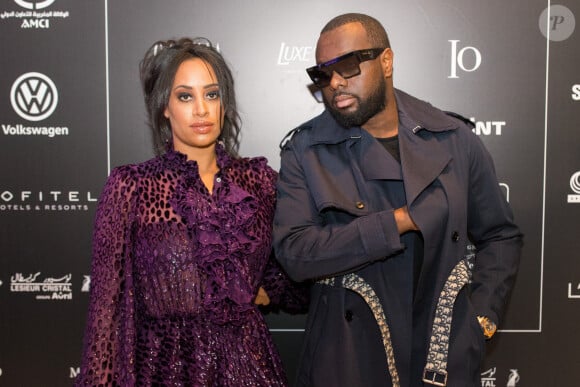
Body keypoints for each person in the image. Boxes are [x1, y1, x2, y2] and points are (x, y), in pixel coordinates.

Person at [273, 13, 523, 387]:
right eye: (323, 74)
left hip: (441, 358)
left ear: (386, 61)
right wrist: (395, 223)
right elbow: (294, 252)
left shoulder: (454, 138)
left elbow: (500, 235)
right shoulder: (306, 150)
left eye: (347, 65)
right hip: (347, 361)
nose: (335, 83)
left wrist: (481, 317)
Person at [76, 37, 307, 386]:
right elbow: (105, 317)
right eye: (185, 96)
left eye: (211, 94)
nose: (201, 109)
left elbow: (296, 270)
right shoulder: (133, 186)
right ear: (164, 107)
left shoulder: (258, 182)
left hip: (251, 367)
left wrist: (256, 292)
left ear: (224, 104)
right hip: (165, 370)